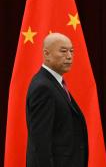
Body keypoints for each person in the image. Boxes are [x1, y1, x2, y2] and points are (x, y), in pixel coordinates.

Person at [26, 33, 88, 167]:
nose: (69, 56)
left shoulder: (54, 83)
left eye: (72, 51)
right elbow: (40, 142)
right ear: (46, 54)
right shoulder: (43, 87)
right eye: (63, 51)